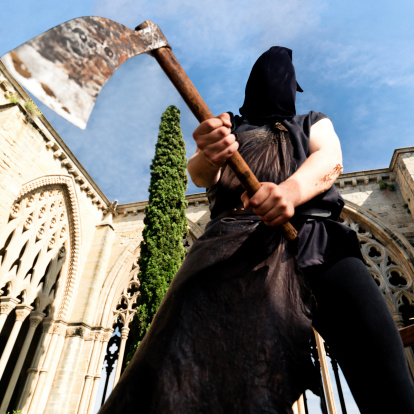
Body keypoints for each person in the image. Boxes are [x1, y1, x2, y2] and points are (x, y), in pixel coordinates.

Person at [100, 47, 414, 414]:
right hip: (232, 246)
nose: (277, 82)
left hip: (318, 242)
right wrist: (209, 151)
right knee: (174, 367)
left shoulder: (312, 121)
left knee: (383, 366)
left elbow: (330, 158)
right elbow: (201, 174)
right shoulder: (228, 126)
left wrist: (289, 193)